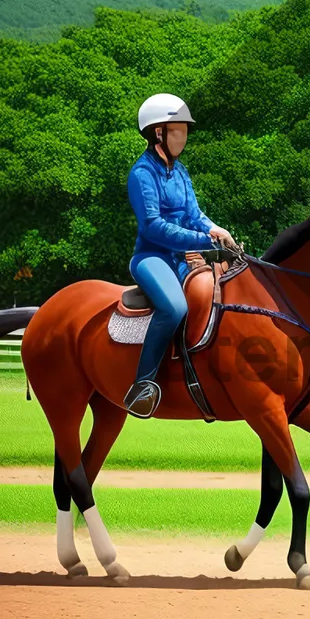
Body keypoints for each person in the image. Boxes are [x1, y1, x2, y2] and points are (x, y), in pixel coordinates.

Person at [124, 93, 238, 418]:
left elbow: (195, 214)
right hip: (153, 259)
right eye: (178, 130)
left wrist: (218, 230)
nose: (184, 137)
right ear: (157, 132)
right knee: (175, 308)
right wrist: (204, 240)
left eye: (185, 131)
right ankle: (142, 385)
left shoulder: (181, 171)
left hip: (183, 259)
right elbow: (154, 227)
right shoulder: (142, 174)